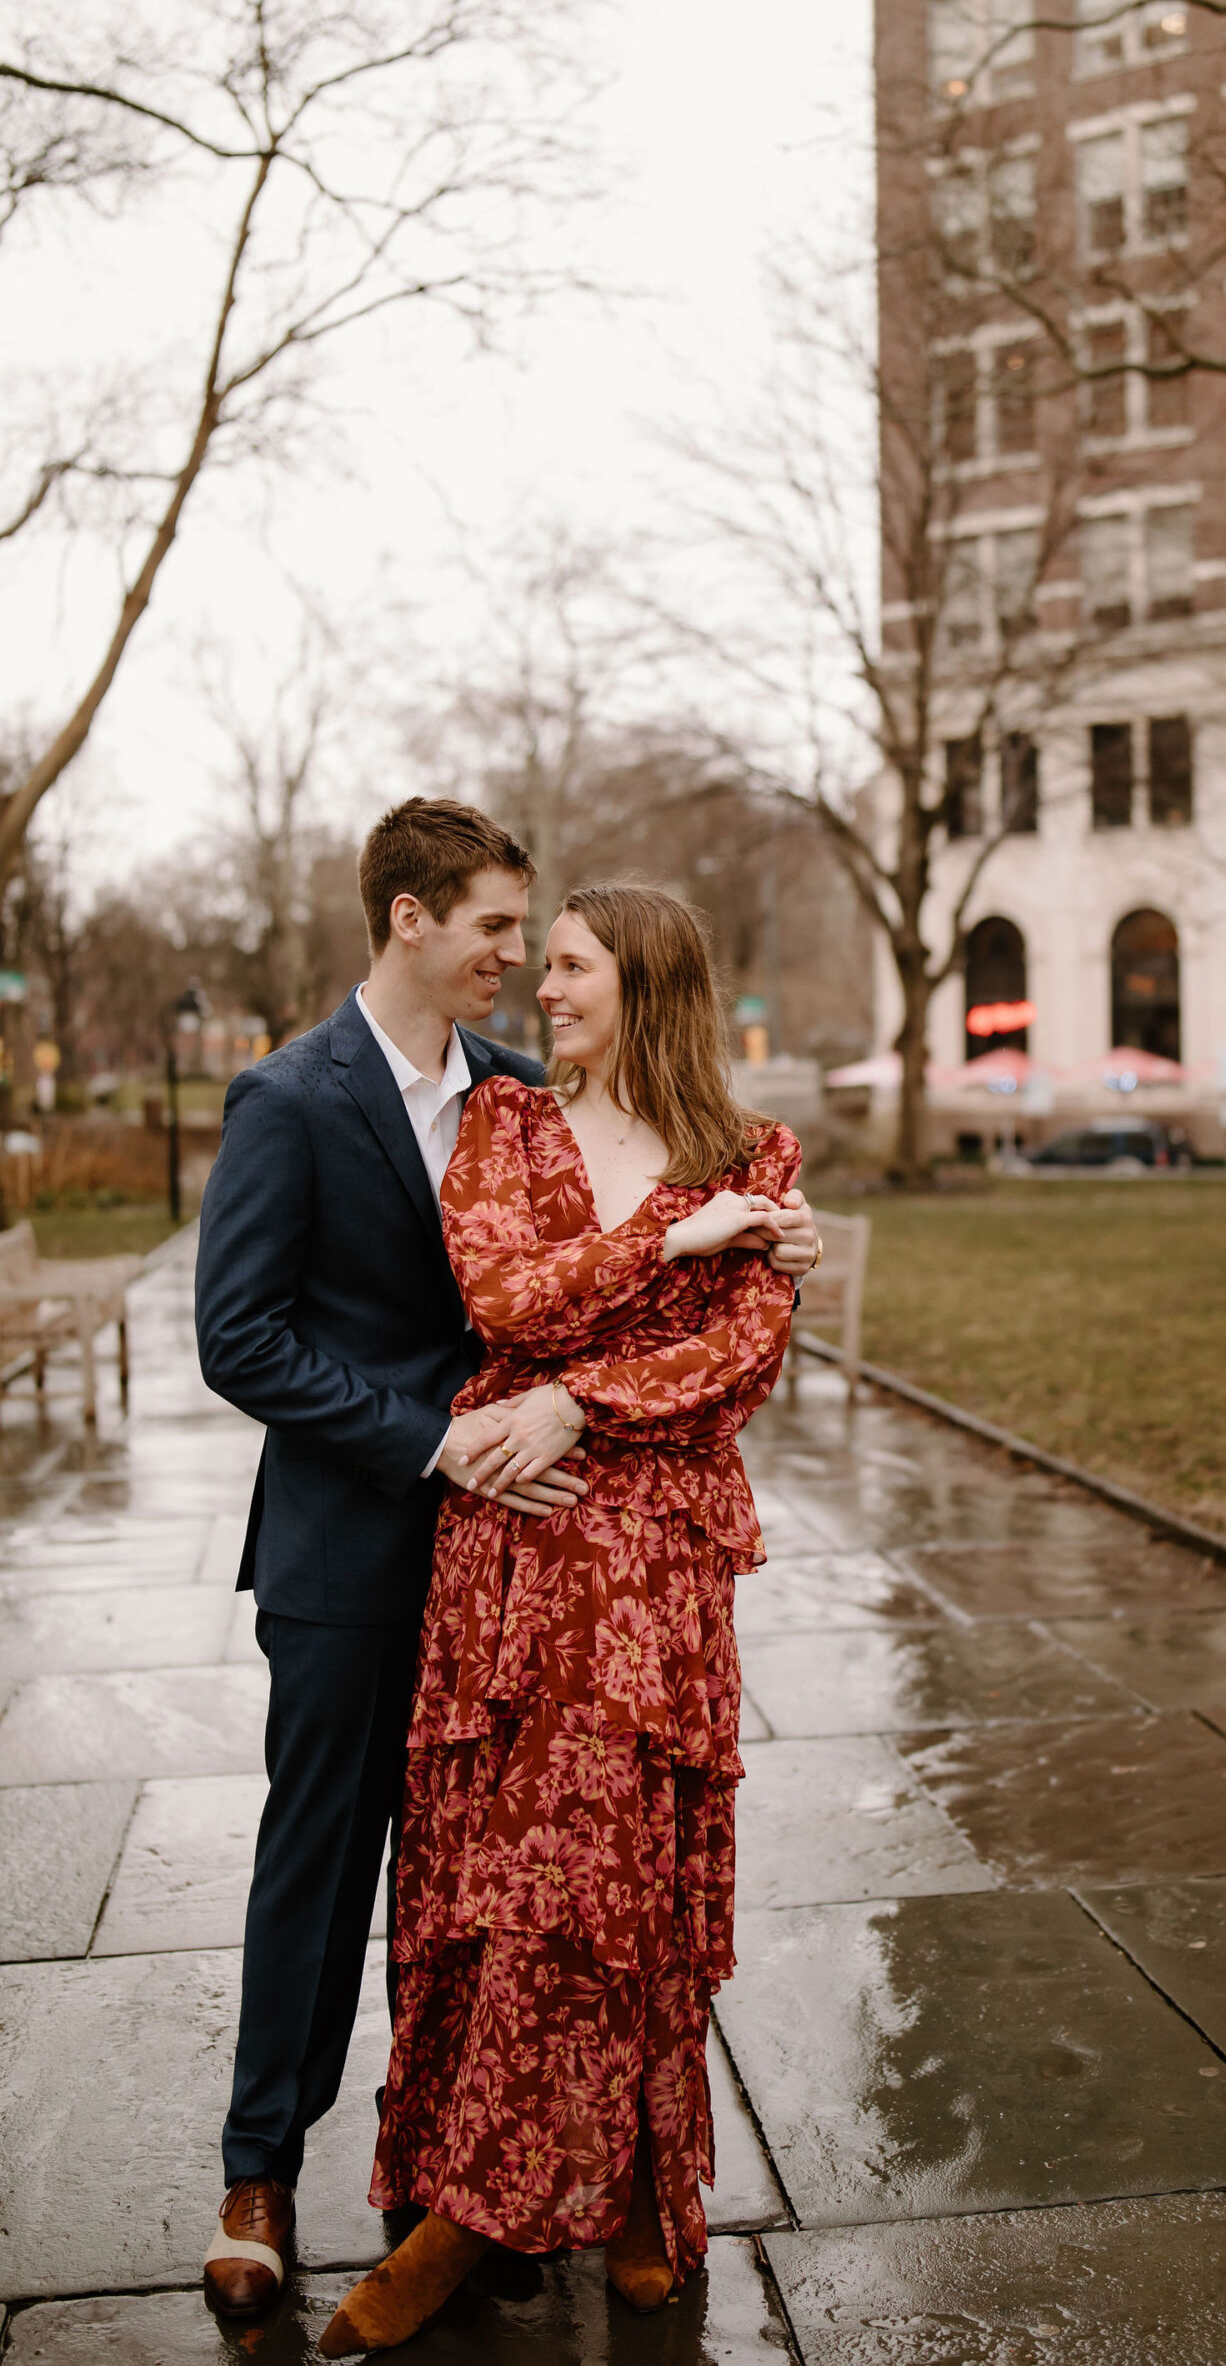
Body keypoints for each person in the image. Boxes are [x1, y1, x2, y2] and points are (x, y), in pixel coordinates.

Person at [193, 806, 819, 2322]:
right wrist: (439, 1443)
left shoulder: (528, 1094)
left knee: (481, 1877)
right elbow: (242, 1339)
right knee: (326, 1858)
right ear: (409, 919)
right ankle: (259, 2173)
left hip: (534, 1565)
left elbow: (642, 1236)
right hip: (364, 1538)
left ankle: (453, 2185)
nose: (515, 966)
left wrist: (756, 1240)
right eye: (493, 930)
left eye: (541, 944)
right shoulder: (289, 1095)